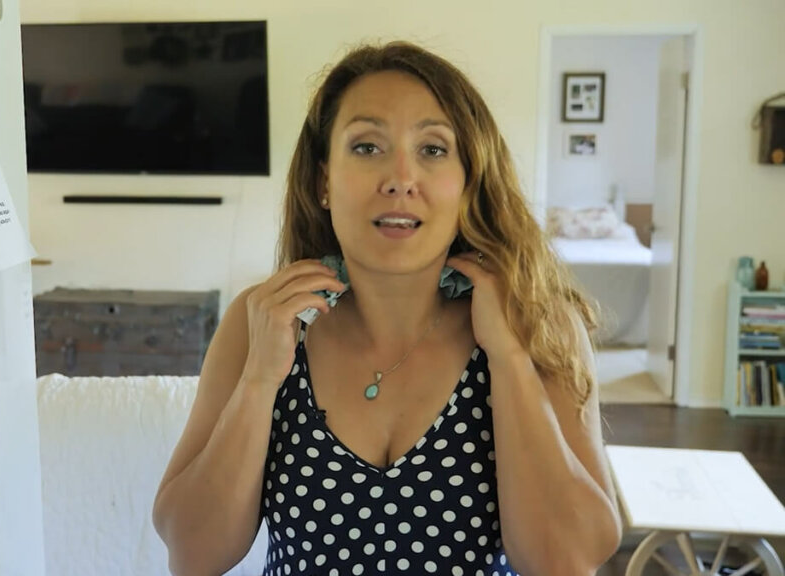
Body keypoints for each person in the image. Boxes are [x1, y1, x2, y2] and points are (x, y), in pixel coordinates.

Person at [153, 41, 622, 576]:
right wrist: (260, 380)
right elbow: (192, 555)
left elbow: (567, 562)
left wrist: (509, 358)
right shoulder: (259, 321)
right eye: (368, 147)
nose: (401, 178)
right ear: (322, 181)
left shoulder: (538, 322)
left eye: (433, 149)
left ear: (469, 182)